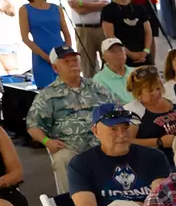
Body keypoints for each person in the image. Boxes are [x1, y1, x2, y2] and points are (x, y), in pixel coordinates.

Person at [64, 103, 172, 206]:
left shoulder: (154, 157)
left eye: (126, 128)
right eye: (113, 129)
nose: (122, 134)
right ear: (96, 131)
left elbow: (160, 197)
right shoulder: (81, 163)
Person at [26, 45, 112, 192]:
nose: (73, 64)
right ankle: (76, 202)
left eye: (75, 60)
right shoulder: (47, 95)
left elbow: (116, 110)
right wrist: (47, 141)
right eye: (66, 62)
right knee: (62, 159)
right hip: (71, 147)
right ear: (55, 68)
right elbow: (33, 125)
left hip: (103, 144)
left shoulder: (97, 87)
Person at [124, 66, 176, 160]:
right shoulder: (132, 110)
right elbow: (126, 142)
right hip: (155, 161)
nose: (156, 93)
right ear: (138, 92)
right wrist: (159, 142)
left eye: (158, 88)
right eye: (150, 90)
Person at [18, 0, 72, 89]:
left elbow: (67, 34)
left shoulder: (57, 9)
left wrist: (67, 52)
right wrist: (45, 56)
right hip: (41, 55)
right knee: (47, 89)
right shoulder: (25, 9)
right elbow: (25, 38)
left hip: (61, 53)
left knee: (67, 86)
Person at [63, 0, 110, 75]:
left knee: (109, 62)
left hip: (101, 27)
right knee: (87, 65)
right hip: (83, 29)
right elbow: (79, 11)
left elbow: (105, 5)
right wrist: (96, 5)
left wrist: (81, 3)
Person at [100, 0, 155, 69]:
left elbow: (148, 31)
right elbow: (110, 36)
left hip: (143, 54)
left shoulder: (140, 8)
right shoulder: (108, 10)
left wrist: (145, 51)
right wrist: (130, 54)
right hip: (122, 55)